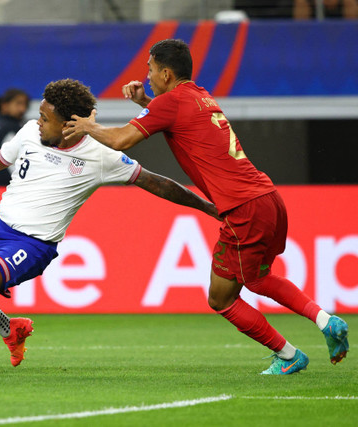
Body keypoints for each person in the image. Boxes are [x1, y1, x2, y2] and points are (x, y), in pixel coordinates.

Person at [62, 39, 349, 375]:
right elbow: (175, 117)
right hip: (268, 199)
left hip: (243, 207)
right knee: (257, 279)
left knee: (221, 299)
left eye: (151, 70)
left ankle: (291, 353)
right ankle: (322, 322)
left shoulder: (170, 103)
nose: (148, 76)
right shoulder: (199, 95)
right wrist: (146, 102)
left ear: (166, 73)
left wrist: (86, 126)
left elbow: (122, 140)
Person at [0, 78, 220, 375]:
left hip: (33, 243)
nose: (37, 122)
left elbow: (158, 183)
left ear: (67, 124)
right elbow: (0, 159)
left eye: (45, 118)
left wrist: (208, 207)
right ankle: (10, 329)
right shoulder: (29, 132)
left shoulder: (101, 155)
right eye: (39, 115)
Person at [0, 88, 30, 186]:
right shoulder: (12, 128)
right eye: (18, 103)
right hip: (9, 184)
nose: (23, 109)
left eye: (25, 104)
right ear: (4, 105)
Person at [293, 0, 358, 19]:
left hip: (339, 5)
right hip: (313, 5)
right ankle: (301, 36)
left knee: (350, 2)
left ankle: (351, 35)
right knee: (301, 2)